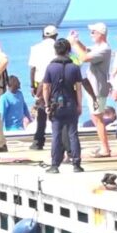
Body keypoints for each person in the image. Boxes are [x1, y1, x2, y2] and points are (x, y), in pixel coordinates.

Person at [69, 22, 112, 157]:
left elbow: (84, 57)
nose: (91, 34)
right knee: (95, 117)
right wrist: (77, 41)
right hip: (93, 87)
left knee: (97, 118)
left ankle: (105, 148)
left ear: (100, 34)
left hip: (98, 88)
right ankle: (104, 146)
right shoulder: (98, 47)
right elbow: (86, 50)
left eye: (93, 32)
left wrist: (74, 44)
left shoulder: (104, 48)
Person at [42, 38, 84, 174]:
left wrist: (47, 104)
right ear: (68, 50)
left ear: (55, 50)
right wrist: (79, 105)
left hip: (55, 105)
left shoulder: (50, 67)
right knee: (73, 134)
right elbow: (78, 88)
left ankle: (55, 165)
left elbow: (46, 88)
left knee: (56, 135)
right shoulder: (74, 67)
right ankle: (76, 164)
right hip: (71, 103)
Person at [28, 25, 58, 150]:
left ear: (43, 35)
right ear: (56, 36)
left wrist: (32, 86)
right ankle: (59, 140)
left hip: (39, 83)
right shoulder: (58, 47)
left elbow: (33, 68)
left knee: (41, 113)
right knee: (56, 112)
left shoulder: (35, 48)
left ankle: (38, 141)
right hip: (56, 82)